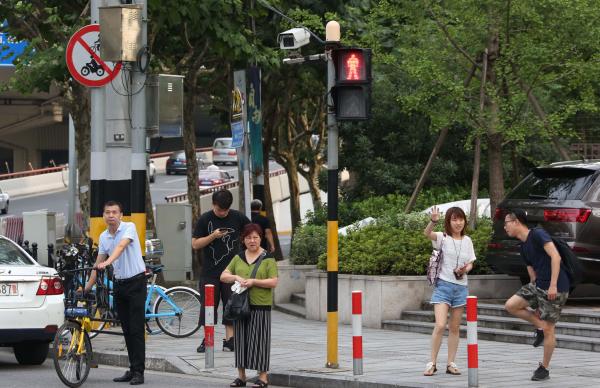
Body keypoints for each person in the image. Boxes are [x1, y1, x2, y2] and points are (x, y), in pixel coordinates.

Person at [84, 201, 146, 385]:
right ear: (103, 215)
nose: (111, 215)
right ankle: (132, 368)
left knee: (136, 329)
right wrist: (86, 288)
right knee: (126, 329)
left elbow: (120, 247)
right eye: (107, 212)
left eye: (114, 212)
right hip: (119, 285)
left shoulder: (129, 227)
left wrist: (107, 263)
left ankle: (139, 372)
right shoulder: (103, 236)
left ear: (120, 215)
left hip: (136, 282)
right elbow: (98, 263)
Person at [503, 209, 570, 381]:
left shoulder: (538, 234)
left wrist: (553, 285)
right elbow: (532, 275)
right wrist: (535, 301)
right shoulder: (523, 246)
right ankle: (539, 326)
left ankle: (544, 368)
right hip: (538, 285)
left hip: (556, 286)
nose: (505, 227)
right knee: (511, 305)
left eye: (507, 223)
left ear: (516, 221)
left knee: (550, 330)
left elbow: (555, 257)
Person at [192, 189, 251, 353]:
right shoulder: (205, 219)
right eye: (219, 210)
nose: (222, 213)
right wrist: (213, 236)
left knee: (231, 305)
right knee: (208, 306)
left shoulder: (238, 217)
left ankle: (229, 340)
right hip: (210, 272)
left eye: (225, 210)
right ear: (213, 205)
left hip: (232, 273)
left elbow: (252, 234)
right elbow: (195, 244)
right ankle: (207, 339)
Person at [221, 223, 278, 388]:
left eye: (255, 237)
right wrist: (236, 277)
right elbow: (223, 275)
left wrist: (254, 281)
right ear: (243, 240)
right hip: (240, 305)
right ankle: (241, 377)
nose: (252, 240)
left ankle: (263, 378)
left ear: (260, 238)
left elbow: (273, 281)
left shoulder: (268, 258)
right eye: (248, 237)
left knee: (260, 341)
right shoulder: (238, 257)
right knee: (240, 342)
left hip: (260, 305)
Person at [422, 206, 476, 377]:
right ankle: (432, 363)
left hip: (461, 287)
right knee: (440, 325)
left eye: (460, 219)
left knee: (454, 327)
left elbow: (471, 262)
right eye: (454, 219)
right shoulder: (442, 237)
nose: (458, 223)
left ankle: (451, 363)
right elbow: (427, 233)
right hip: (443, 286)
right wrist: (433, 221)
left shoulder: (467, 240)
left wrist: (465, 269)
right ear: (448, 221)